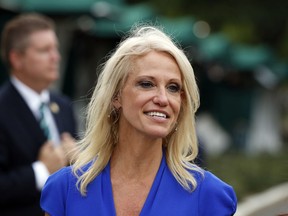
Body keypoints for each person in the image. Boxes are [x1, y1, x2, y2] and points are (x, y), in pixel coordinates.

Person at [41, 25, 237, 215]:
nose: (162, 98)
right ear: (116, 97)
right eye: (146, 84)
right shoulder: (65, 189)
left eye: (173, 88)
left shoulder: (210, 195)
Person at [0, 13, 77, 216]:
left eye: (56, 49)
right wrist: (42, 170)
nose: (56, 57)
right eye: (45, 50)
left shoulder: (64, 105)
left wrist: (79, 158)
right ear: (17, 58)